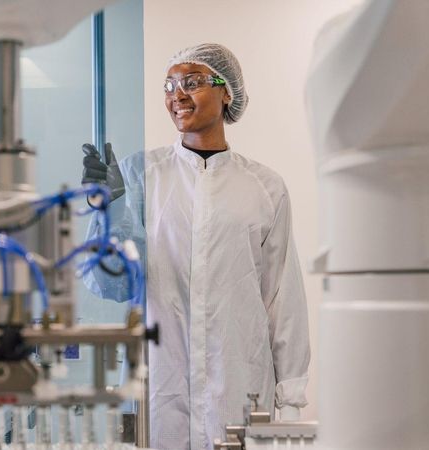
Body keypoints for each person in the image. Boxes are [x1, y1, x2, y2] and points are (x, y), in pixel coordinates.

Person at [82, 43, 310, 450]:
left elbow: (281, 296)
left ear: (227, 92)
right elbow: (112, 285)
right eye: (169, 84)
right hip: (158, 387)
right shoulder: (139, 174)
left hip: (239, 388)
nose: (177, 94)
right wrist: (109, 212)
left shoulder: (264, 186)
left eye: (191, 82)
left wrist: (291, 399)